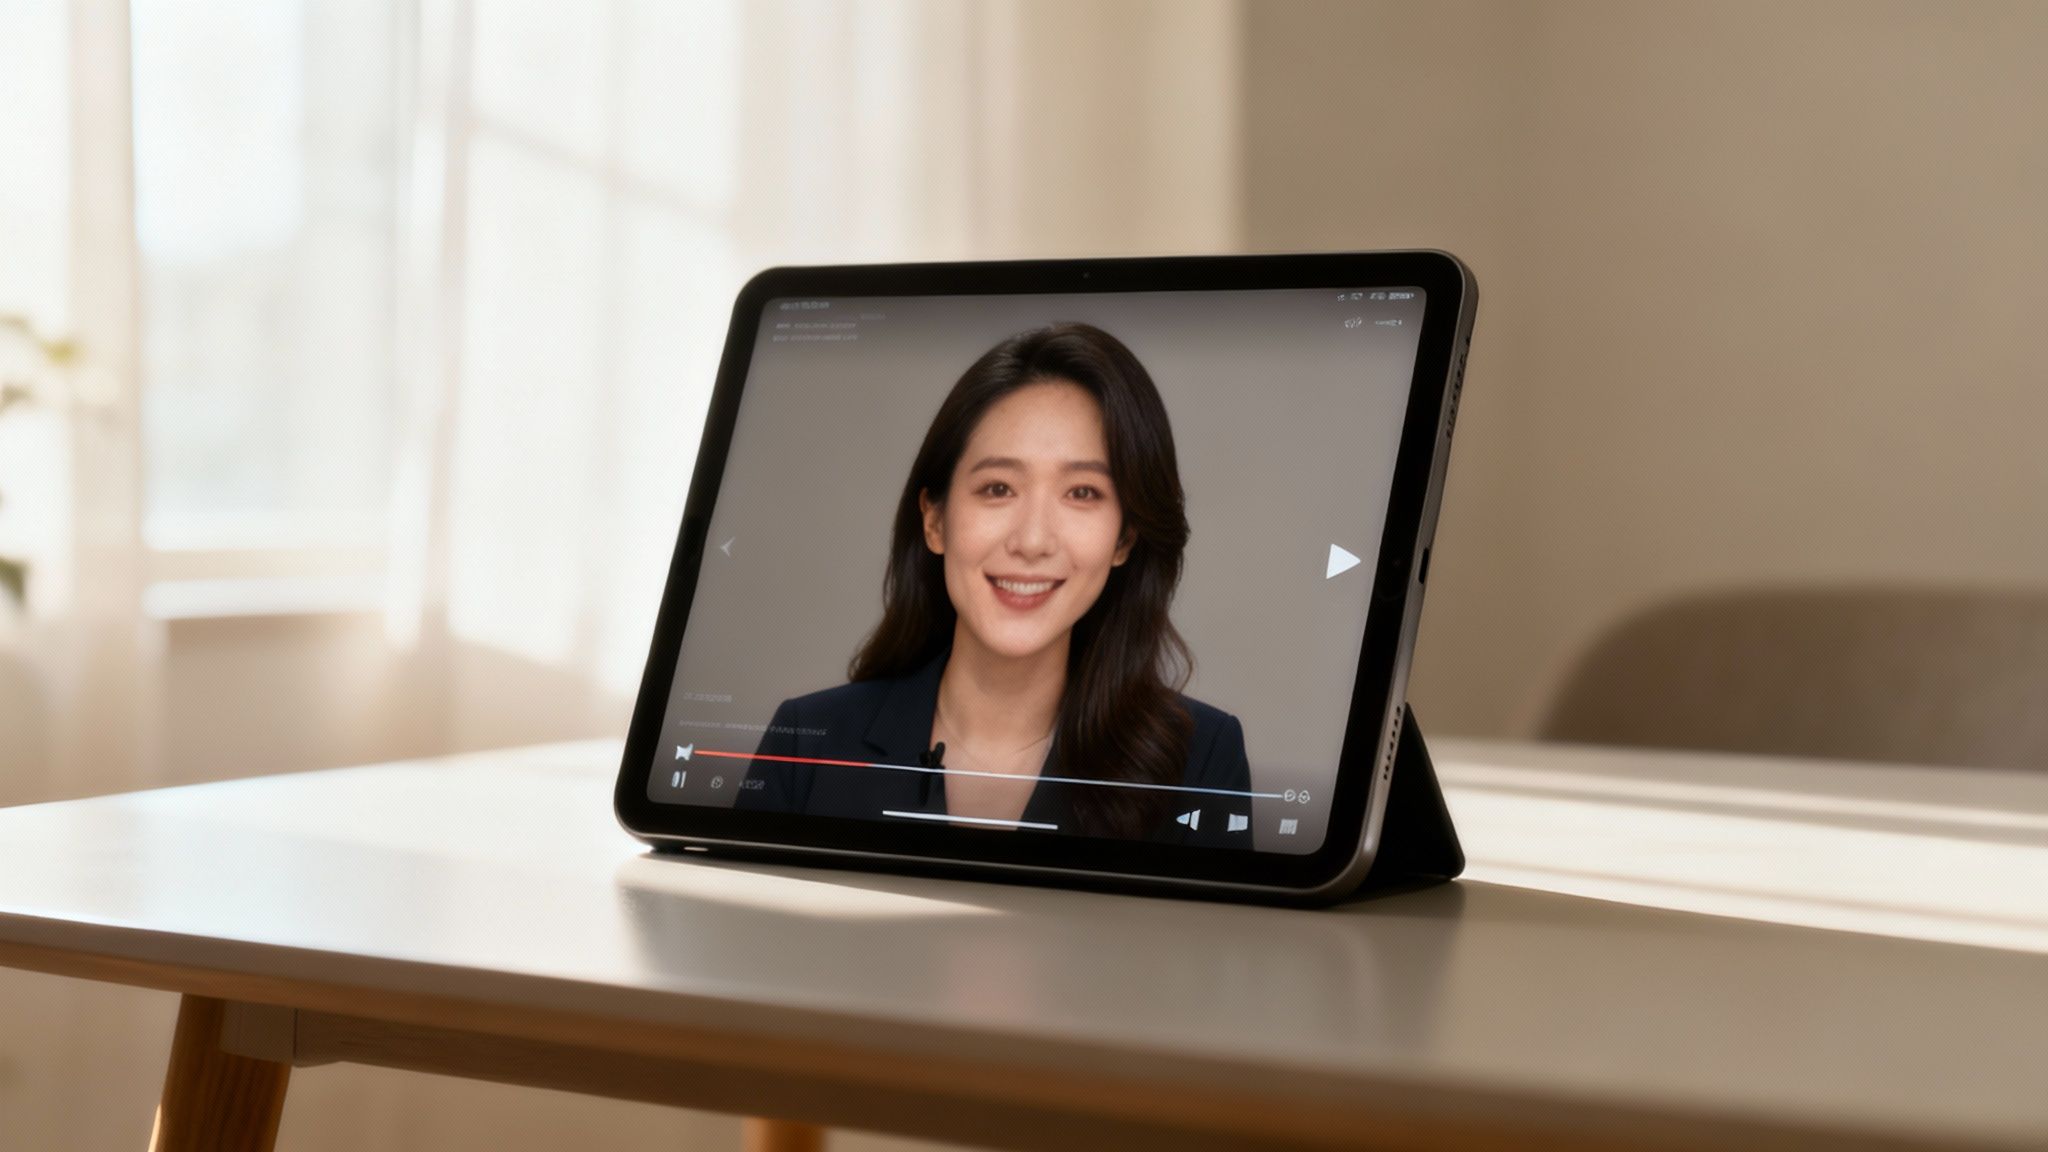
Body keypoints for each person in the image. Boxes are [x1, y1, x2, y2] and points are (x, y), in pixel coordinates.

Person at [737, 322, 1252, 845]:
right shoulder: (805, 745)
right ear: (935, 519)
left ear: (1124, 538)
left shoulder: (1202, 762)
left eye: (1082, 492)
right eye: (998, 488)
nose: (1032, 541)